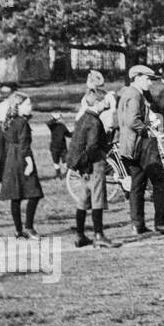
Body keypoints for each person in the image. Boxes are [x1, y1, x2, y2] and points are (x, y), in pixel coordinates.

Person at [116, 65, 164, 235]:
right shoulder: (134, 95)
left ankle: (137, 224)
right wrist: (149, 130)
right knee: (161, 182)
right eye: (148, 79)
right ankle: (162, 223)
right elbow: (132, 120)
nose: (150, 83)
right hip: (143, 145)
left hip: (131, 146)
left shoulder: (127, 93)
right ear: (138, 78)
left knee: (137, 184)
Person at [65, 88, 119, 248]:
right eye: (104, 101)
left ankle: (80, 235)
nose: (107, 104)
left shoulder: (82, 118)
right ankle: (99, 235)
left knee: (83, 200)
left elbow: (76, 144)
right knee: (97, 200)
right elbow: (93, 146)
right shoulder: (95, 121)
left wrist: (81, 166)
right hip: (94, 165)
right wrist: (90, 163)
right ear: (97, 102)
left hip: (82, 166)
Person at [0, 92, 44, 238]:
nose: (31, 106)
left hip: (11, 160)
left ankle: (18, 230)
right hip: (22, 159)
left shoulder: (8, 121)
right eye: (27, 104)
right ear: (19, 107)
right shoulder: (22, 123)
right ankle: (28, 227)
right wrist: (29, 163)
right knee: (34, 193)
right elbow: (24, 145)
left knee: (15, 196)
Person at [46, 112, 71, 178]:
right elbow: (48, 123)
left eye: (60, 117)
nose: (61, 119)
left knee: (65, 161)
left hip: (63, 147)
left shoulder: (63, 126)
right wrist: (54, 119)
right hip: (54, 147)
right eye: (59, 117)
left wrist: (75, 133)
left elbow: (68, 134)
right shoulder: (53, 126)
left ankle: (67, 174)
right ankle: (58, 174)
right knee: (56, 162)